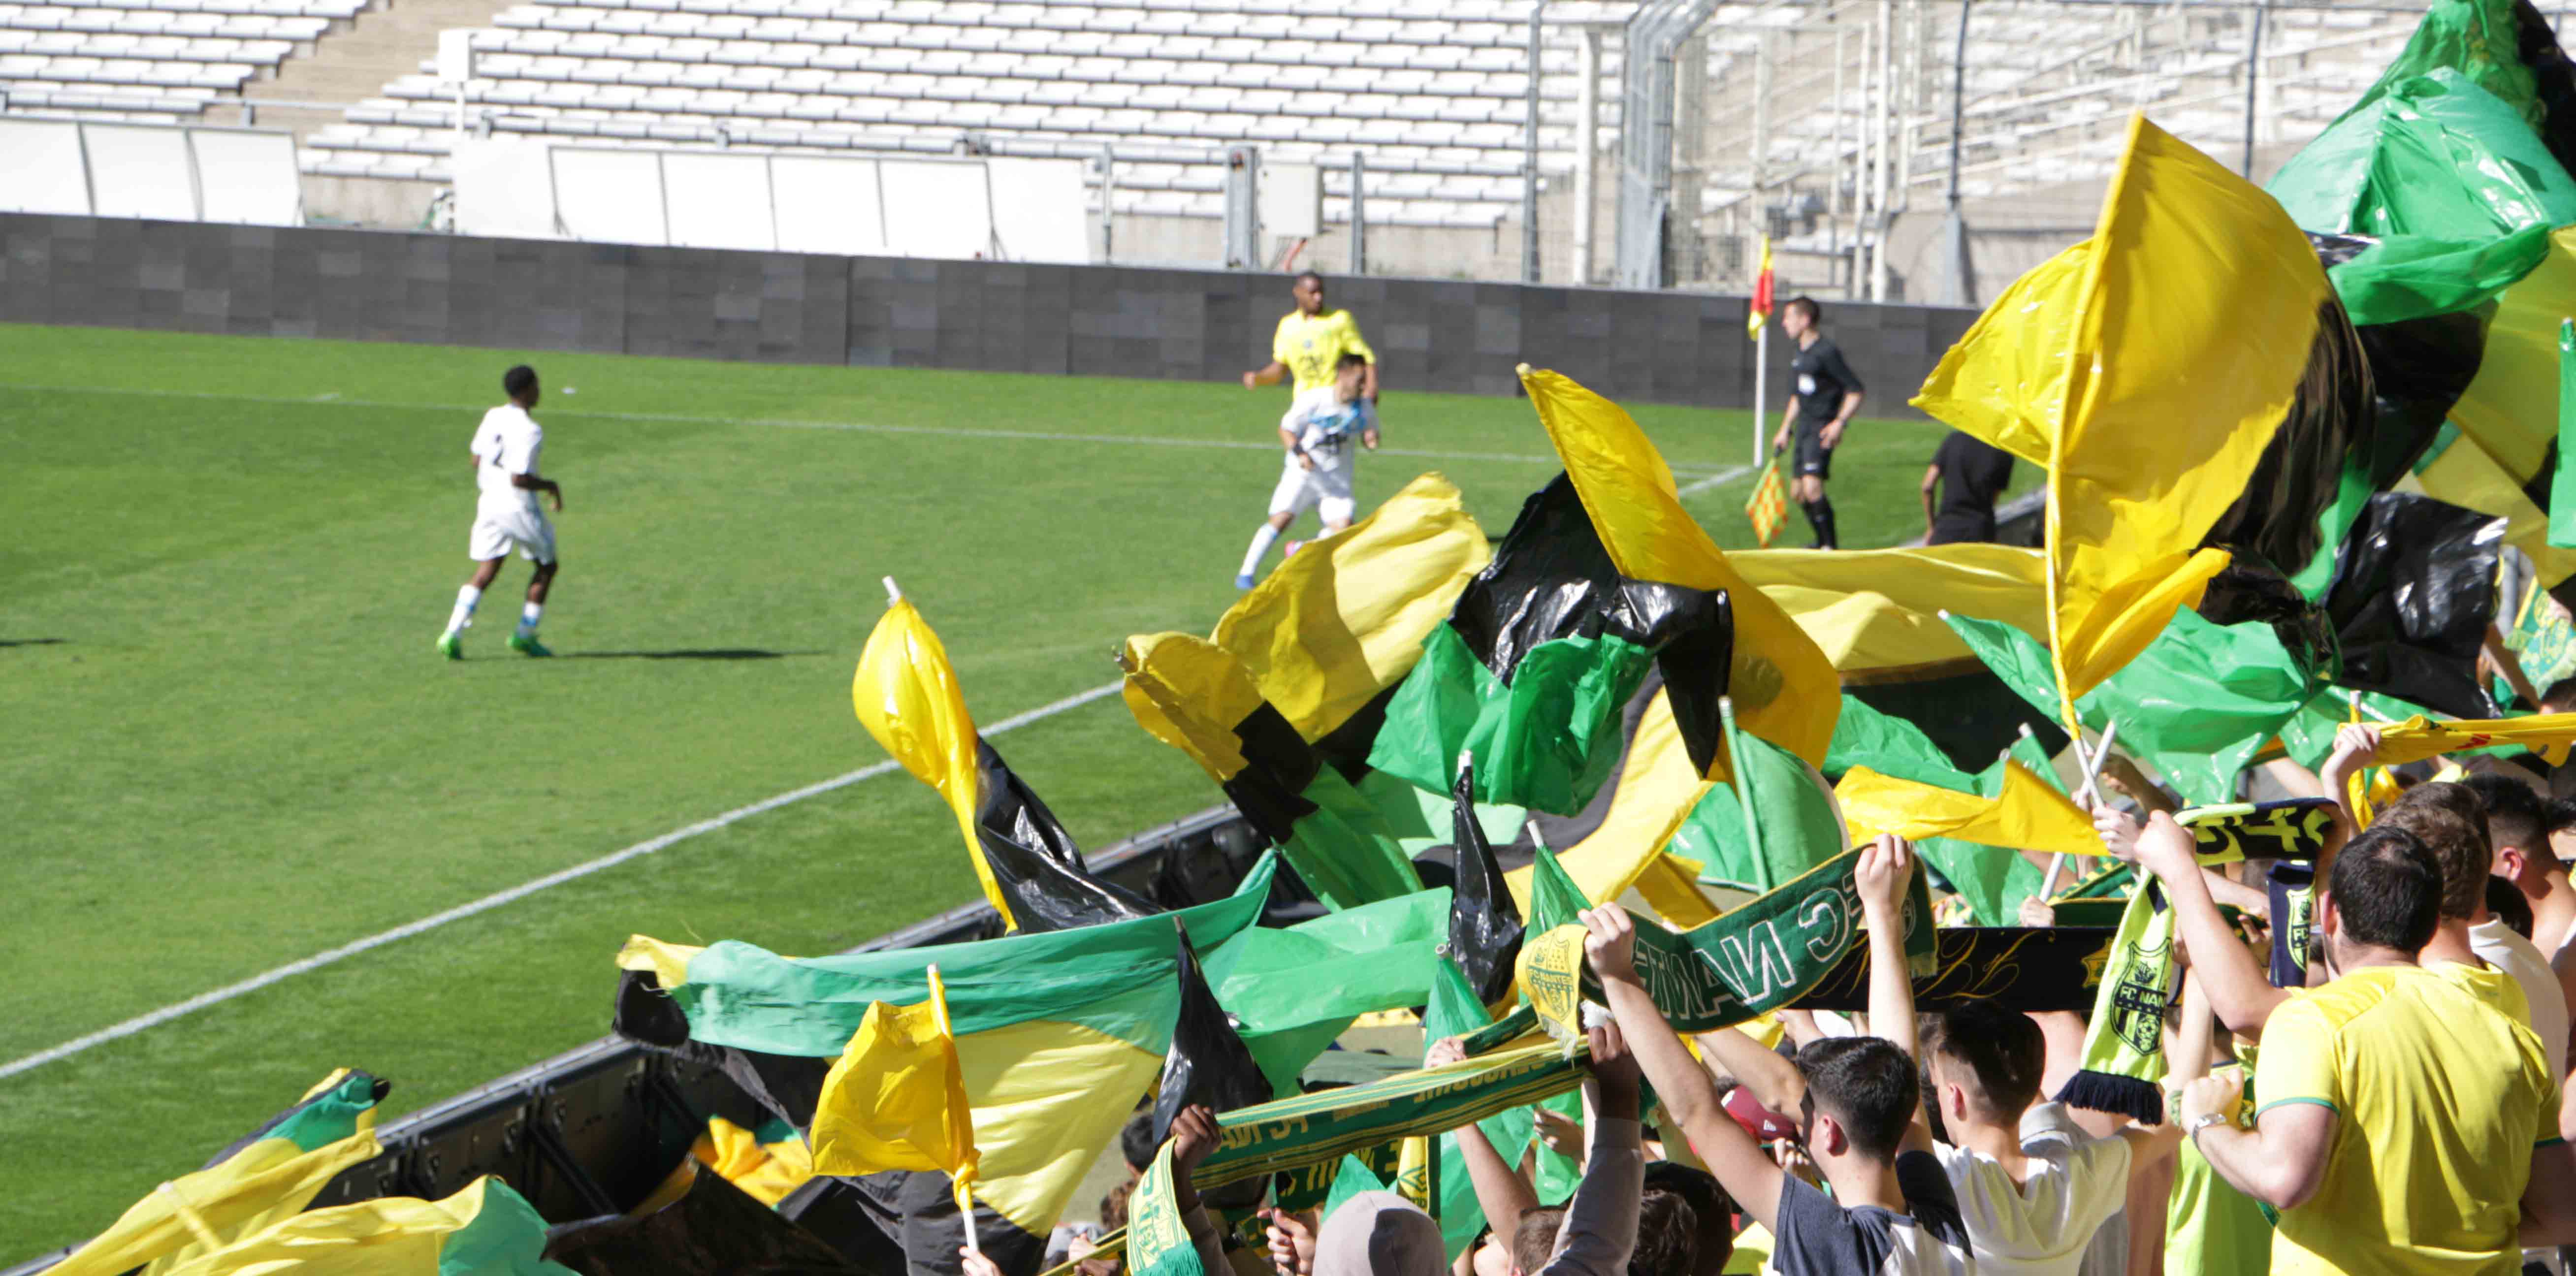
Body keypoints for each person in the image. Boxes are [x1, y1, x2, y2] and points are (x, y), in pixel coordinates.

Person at [2175, 825, 2562, 1275]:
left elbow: (2283, 1180)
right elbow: (2560, 1214)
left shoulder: (2311, 1021)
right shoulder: (2514, 1037)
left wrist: (2205, 1123)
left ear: (2330, 914)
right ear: (2433, 923)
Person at [1585, 836, 1974, 1275]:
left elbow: (1700, 1113)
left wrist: (1619, 979)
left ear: (1828, 1132)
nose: (1793, 1108)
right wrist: (1883, 913)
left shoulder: (1837, 1243)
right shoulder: (1939, 1229)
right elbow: (1899, 1063)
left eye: (1805, 1108)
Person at [1914, 1003, 2178, 1275]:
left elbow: (1900, 1083)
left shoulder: (1949, 1179)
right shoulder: (2073, 1181)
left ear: (1955, 1096)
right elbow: (2180, 1110)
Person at [1239, 271, 1380, 588]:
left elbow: (1365, 358)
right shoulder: (1288, 327)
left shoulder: (1339, 321)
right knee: (1291, 503)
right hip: (1307, 416)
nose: (1319, 298)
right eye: (1312, 293)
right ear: (1298, 293)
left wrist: (1369, 393)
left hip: (1337, 408)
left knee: (1342, 516)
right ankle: (1250, 571)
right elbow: (1280, 367)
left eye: (1321, 293)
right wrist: (1260, 378)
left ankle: (1305, 549)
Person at [437, 364, 562, 660]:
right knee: (547, 567)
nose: (539, 391)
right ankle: (525, 634)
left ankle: (451, 634)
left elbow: (475, 459)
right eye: (537, 385)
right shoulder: (531, 430)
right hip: (518, 506)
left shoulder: (494, 415)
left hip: (489, 503)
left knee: (487, 570)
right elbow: (520, 478)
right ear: (527, 390)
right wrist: (551, 486)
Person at [1765, 297, 1864, 551]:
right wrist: (1785, 428)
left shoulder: (1826, 352)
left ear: (1805, 320)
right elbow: (1798, 396)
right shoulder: (1800, 353)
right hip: (1804, 429)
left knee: (1812, 487)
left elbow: (1855, 390)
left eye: (1789, 317)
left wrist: (1839, 423)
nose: (1784, 323)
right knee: (1798, 493)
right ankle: (1821, 541)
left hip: (1821, 428)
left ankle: (1830, 548)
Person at [1920, 430, 2014, 545]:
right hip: (1980, 532)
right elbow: (1994, 499)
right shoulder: (2003, 451)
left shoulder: (1954, 440)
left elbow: (1927, 486)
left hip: (1945, 531)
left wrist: (1931, 527)